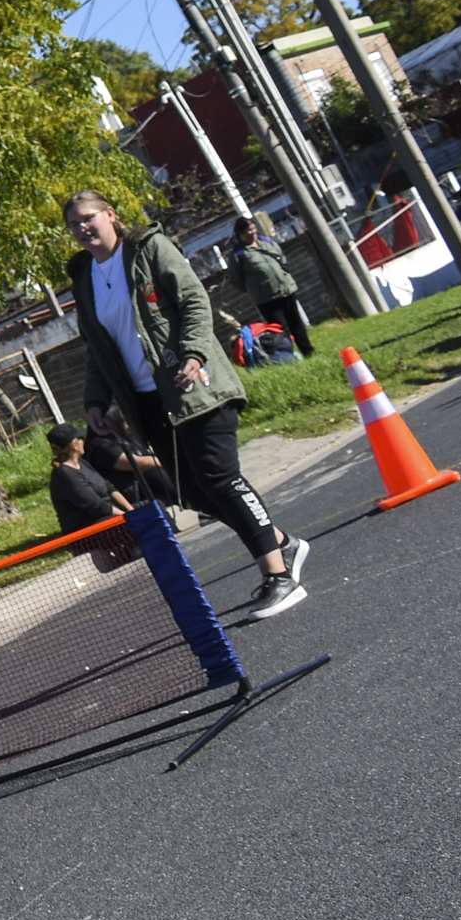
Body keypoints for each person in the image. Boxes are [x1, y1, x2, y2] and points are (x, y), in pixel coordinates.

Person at [64, 191, 311, 619]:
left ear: (110, 215)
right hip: (148, 403)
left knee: (220, 478)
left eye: (89, 218)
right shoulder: (85, 276)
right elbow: (98, 349)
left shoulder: (148, 249)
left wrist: (195, 353)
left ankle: (279, 576)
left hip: (192, 387)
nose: (83, 229)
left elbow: (194, 301)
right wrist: (95, 400)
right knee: (191, 492)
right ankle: (281, 542)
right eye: (73, 224)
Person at [228, 216, 313, 357]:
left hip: (286, 289)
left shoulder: (266, 242)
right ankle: (287, 356)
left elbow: (281, 257)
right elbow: (236, 280)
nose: (253, 232)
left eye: (254, 228)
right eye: (249, 230)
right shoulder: (238, 254)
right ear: (240, 234)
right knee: (278, 329)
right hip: (266, 298)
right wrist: (256, 287)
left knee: (296, 323)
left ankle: (308, 351)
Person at [44, 422, 133, 541]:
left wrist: (131, 510)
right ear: (74, 445)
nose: (83, 441)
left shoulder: (83, 463)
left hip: (108, 516)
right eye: (80, 438)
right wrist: (126, 516)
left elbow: (109, 487)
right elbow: (95, 506)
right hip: (88, 530)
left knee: (147, 509)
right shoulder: (64, 475)